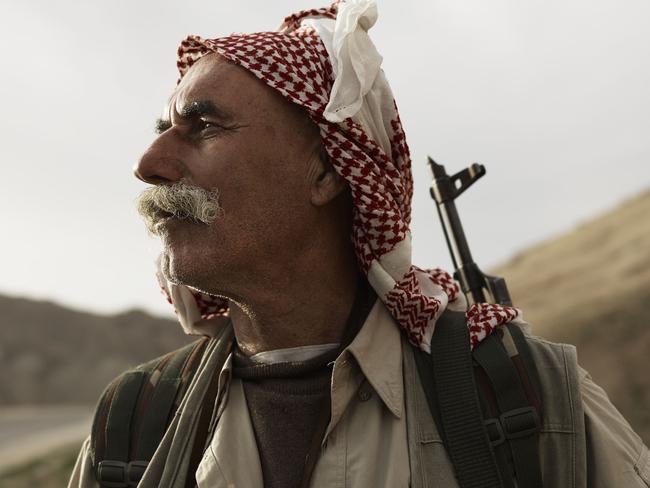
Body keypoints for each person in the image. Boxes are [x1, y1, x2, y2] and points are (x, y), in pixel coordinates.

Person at [68, 1, 650, 487]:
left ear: (327, 170)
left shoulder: (529, 398)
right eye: (162, 131)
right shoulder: (135, 422)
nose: (150, 164)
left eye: (205, 126)